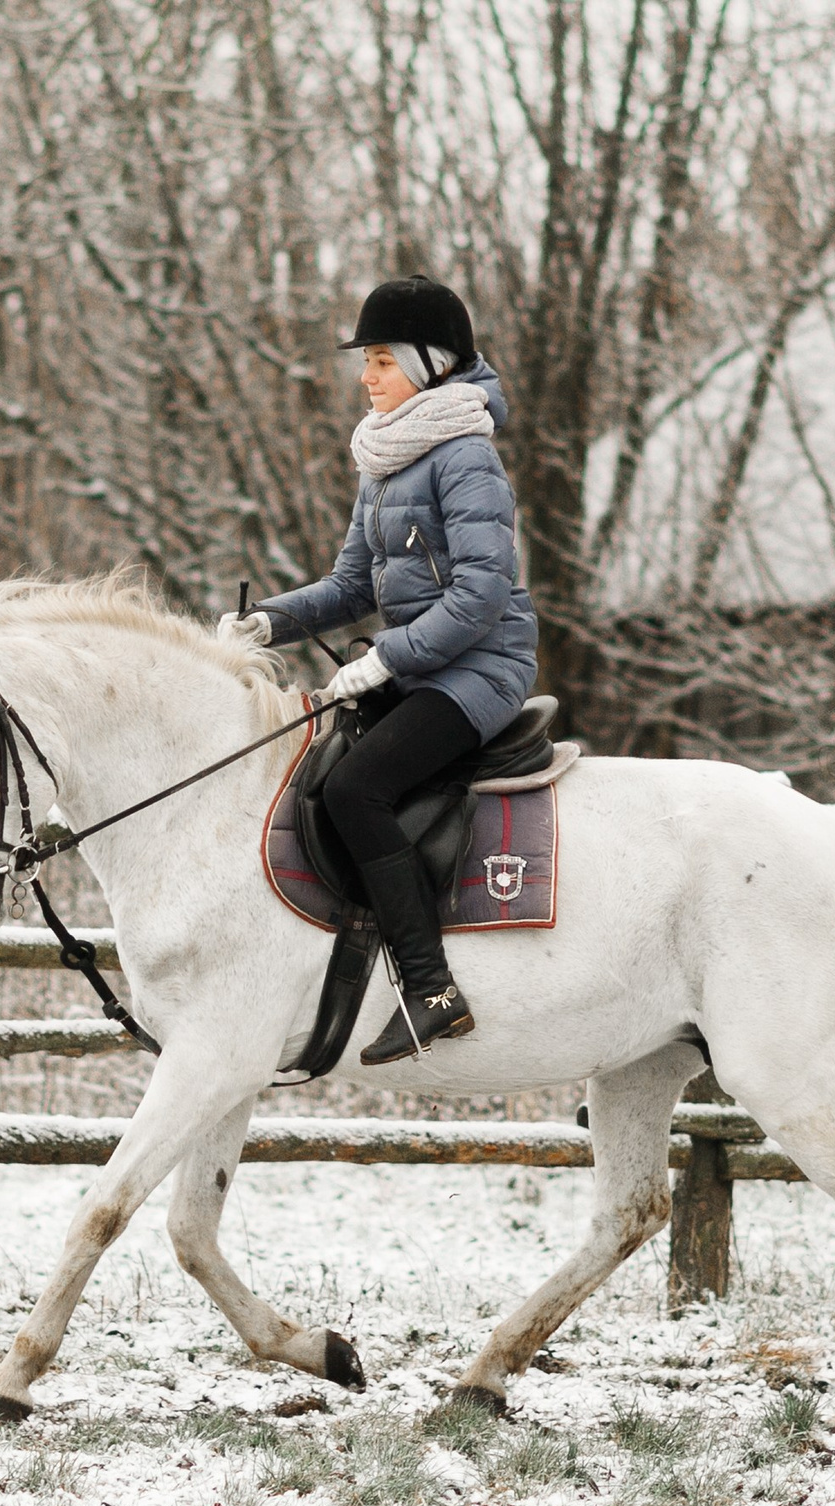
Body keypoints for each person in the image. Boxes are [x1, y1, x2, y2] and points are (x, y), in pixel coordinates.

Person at [218, 275, 537, 1065]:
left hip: (482, 669)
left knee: (359, 788)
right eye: (368, 359)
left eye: (382, 359)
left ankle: (431, 990)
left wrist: (386, 659)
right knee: (318, 773)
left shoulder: (464, 457)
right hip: (426, 666)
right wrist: (271, 621)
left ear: (431, 365)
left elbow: (481, 593)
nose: (367, 375)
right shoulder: (388, 459)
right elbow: (353, 586)